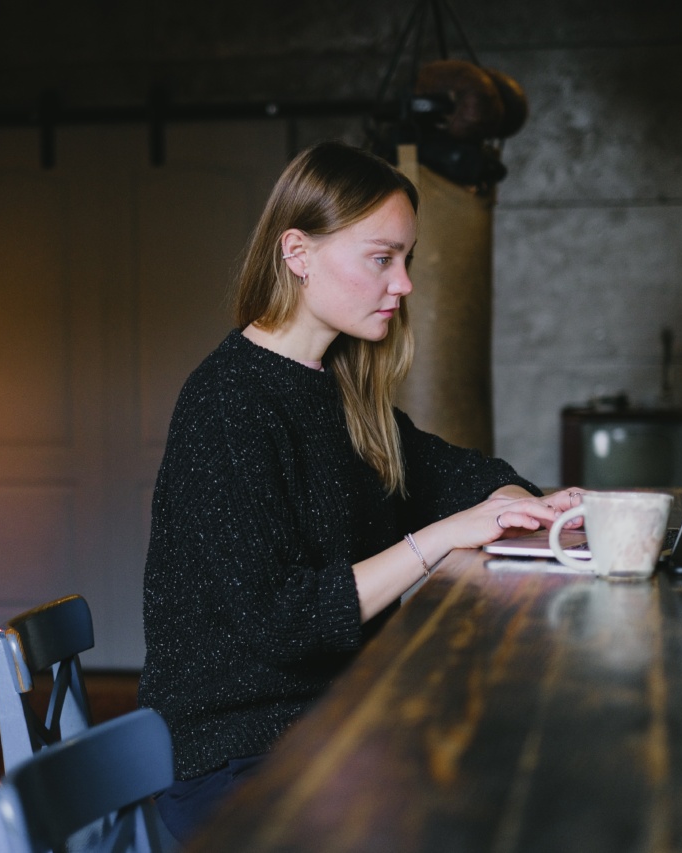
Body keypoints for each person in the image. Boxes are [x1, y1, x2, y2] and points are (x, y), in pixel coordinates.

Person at [138, 140, 582, 842]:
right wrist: (440, 538)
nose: (403, 284)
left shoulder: (337, 389)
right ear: (298, 252)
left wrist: (521, 502)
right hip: (240, 757)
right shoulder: (228, 402)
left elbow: (446, 472)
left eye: (405, 259)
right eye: (382, 258)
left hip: (339, 720)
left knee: (526, 772)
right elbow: (284, 624)